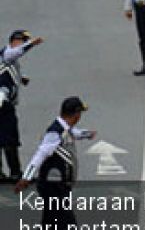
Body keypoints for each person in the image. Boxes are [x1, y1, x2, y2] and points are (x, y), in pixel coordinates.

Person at [15, 97, 96, 229]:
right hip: (53, 186)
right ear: (76, 114)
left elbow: (74, 133)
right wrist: (26, 178)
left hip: (58, 185)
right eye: (80, 113)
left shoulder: (65, 128)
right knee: (66, 222)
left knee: (51, 221)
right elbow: (40, 155)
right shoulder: (55, 132)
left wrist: (86, 134)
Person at [0, 30, 43, 181]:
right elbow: (15, 53)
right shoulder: (8, 54)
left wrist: (21, 79)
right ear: (16, 41)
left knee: (3, 138)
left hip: (3, 102)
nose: (24, 44)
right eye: (23, 41)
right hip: (3, 104)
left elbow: (8, 72)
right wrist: (31, 44)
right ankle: (15, 173)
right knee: (10, 138)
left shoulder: (6, 58)